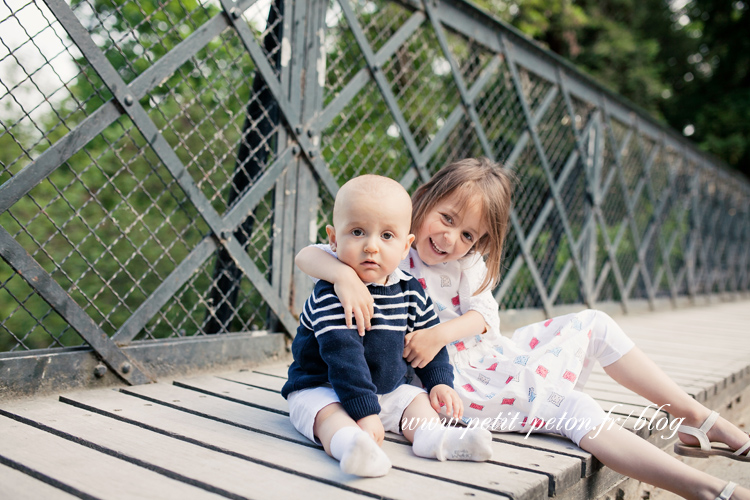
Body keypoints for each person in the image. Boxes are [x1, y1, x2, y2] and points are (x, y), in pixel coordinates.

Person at [295, 158, 750, 500]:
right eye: (447, 218)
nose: (451, 239)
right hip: (455, 380)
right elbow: (311, 254)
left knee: (597, 323)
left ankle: (695, 418)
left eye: (469, 235)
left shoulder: (463, 263)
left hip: (482, 352)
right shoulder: (383, 242)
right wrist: (346, 277)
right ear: (425, 198)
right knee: (570, 405)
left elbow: (486, 318)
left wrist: (441, 332)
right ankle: (707, 490)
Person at [281, 174, 493, 478]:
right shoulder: (331, 293)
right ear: (333, 238)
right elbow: (343, 357)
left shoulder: (409, 290)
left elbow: (428, 345)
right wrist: (365, 414)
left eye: (387, 236)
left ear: (406, 246)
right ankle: (350, 447)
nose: (371, 247)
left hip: (385, 388)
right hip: (324, 386)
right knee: (327, 415)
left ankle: (434, 439)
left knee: (416, 401)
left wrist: (438, 382)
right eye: (357, 232)